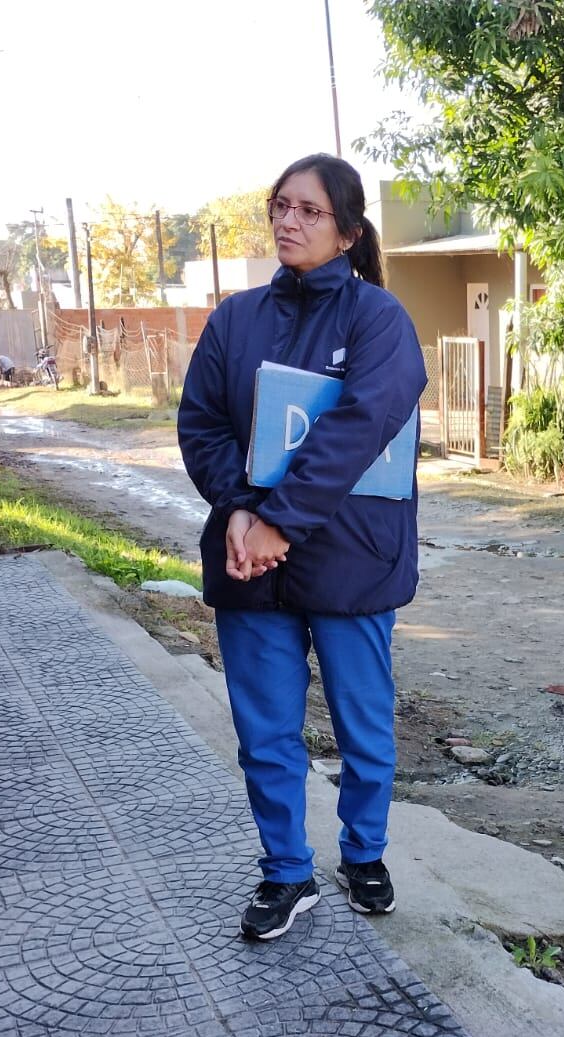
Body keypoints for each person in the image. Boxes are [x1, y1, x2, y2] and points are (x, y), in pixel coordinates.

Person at [178, 153, 426, 941]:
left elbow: (357, 430)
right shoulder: (234, 319)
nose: (287, 221)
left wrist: (276, 521)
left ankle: (365, 854)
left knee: (363, 725)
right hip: (252, 568)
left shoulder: (379, 320)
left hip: (352, 562)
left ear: (349, 233)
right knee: (266, 731)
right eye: (279, 205)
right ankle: (287, 871)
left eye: (308, 211)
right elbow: (202, 426)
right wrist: (246, 512)